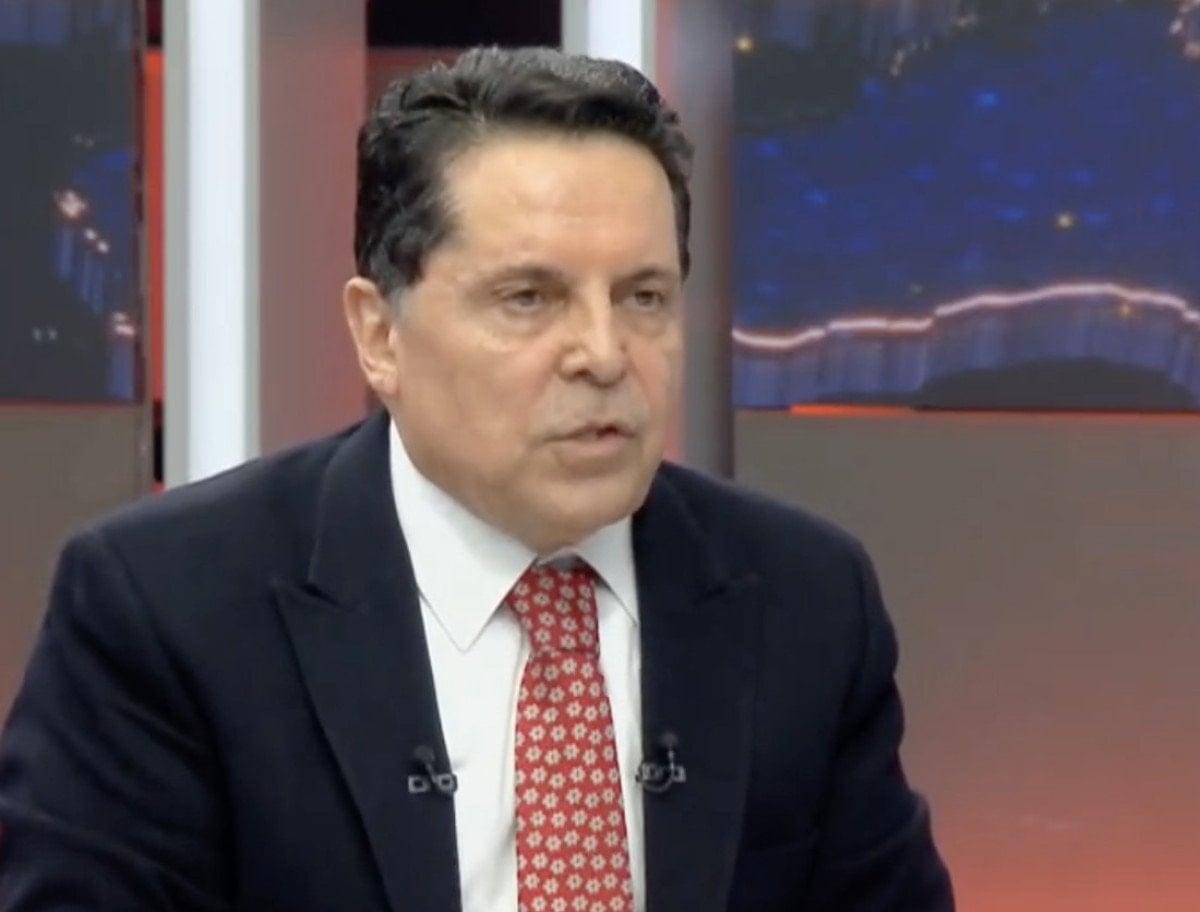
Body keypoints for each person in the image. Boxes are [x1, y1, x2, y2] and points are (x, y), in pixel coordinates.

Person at [0, 47, 953, 911]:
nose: (604, 353)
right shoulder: (166, 607)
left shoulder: (805, 599)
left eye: (644, 297)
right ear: (380, 334)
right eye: (529, 297)